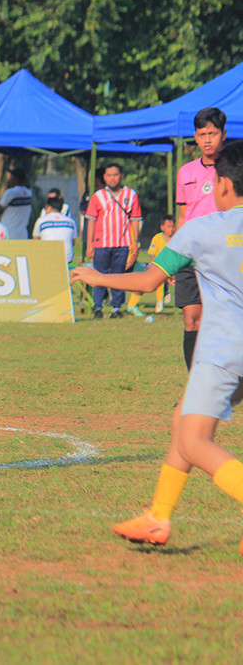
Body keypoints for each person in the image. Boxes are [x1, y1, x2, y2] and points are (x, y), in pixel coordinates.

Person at [70, 139, 243, 554]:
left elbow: (149, 281)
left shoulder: (201, 230)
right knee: (182, 419)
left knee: (193, 441)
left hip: (223, 353)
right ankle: (158, 517)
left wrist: (97, 277)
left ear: (220, 185)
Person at [175, 107, 227, 367]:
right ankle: (196, 391)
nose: (208, 139)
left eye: (213, 133)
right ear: (195, 137)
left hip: (224, 254)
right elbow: (183, 218)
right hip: (191, 254)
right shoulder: (185, 172)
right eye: (202, 134)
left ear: (223, 134)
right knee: (191, 319)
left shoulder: (235, 168)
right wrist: (175, 256)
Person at [83, 162, 142, 319]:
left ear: (121, 176)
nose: (112, 178)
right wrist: (89, 244)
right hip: (101, 243)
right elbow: (91, 220)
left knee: (118, 277)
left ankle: (116, 308)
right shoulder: (98, 196)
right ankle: (98, 307)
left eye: (115, 175)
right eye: (109, 175)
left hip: (123, 243)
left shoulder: (131, 195)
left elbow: (135, 220)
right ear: (104, 177)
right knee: (100, 275)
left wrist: (135, 242)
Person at [126, 214, 175, 316]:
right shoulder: (157, 238)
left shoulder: (176, 239)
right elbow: (150, 254)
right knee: (148, 279)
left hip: (134, 262)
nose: (171, 229)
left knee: (145, 280)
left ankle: (131, 305)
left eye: (172, 227)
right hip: (129, 262)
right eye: (168, 227)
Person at [32, 196, 79, 263]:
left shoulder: (41, 221)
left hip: (47, 257)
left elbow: (36, 241)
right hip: (67, 258)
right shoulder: (71, 221)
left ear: (49, 207)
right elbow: (73, 242)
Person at [0, 167, 33, 239]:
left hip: (9, 233)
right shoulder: (29, 193)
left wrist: (8, 187)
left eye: (11, 176)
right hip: (23, 234)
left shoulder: (10, 192)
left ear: (16, 178)